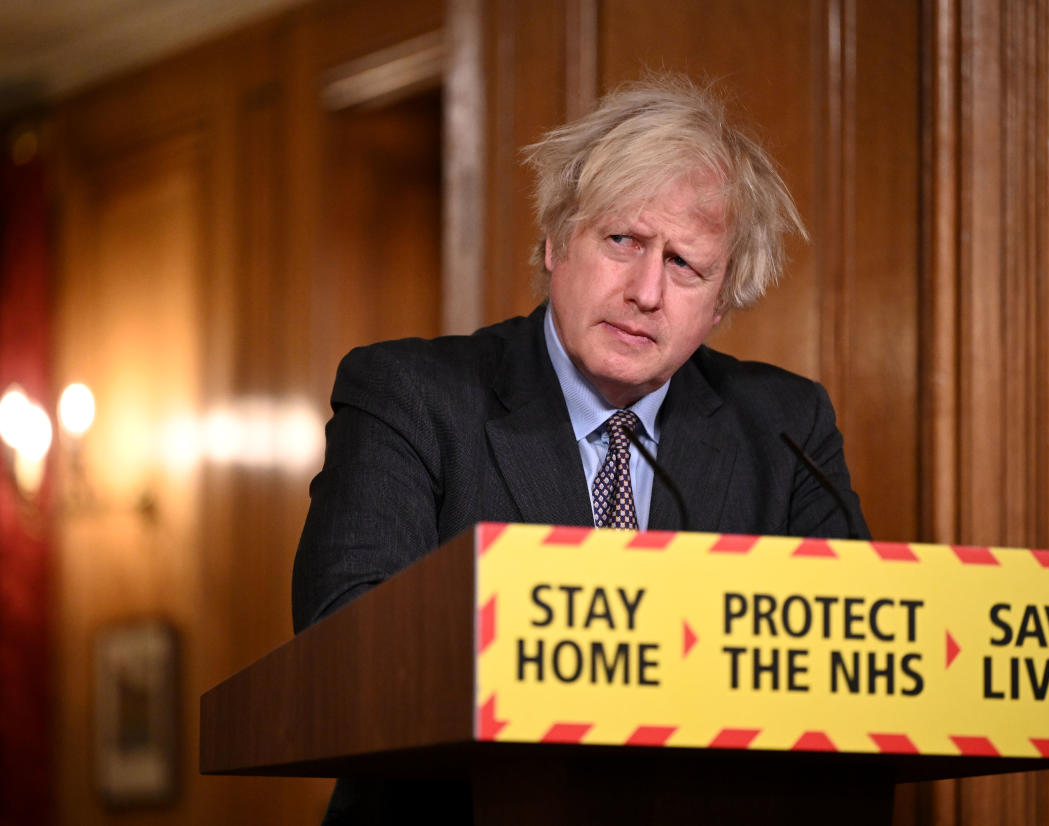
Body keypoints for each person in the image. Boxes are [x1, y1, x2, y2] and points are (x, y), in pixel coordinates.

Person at [292, 75, 868, 822]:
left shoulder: (786, 427)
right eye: (623, 240)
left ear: (721, 303)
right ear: (556, 240)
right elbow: (349, 645)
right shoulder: (412, 396)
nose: (647, 291)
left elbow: (853, 660)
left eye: (685, 264)